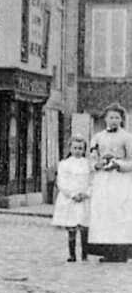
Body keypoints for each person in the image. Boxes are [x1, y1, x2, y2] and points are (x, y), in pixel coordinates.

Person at [87, 103, 132, 263]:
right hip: (103, 180)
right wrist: (96, 165)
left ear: (121, 120)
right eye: (111, 117)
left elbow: (131, 161)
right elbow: (91, 159)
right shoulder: (98, 137)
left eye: (117, 118)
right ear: (105, 118)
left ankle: (121, 251)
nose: (114, 120)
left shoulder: (127, 137)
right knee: (104, 213)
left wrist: (118, 164)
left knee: (119, 213)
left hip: (120, 180)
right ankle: (106, 251)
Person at [52, 136, 93, 263]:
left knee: (85, 227)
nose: (77, 151)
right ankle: (72, 254)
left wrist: (86, 193)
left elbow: (93, 181)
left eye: (80, 148)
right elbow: (61, 182)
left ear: (84, 150)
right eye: (75, 148)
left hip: (84, 199)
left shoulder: (88, 164)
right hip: (70, 199)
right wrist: (73, 194)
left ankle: (85, 254)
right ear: (70, 148)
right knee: (71, 227)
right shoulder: (64, 164)